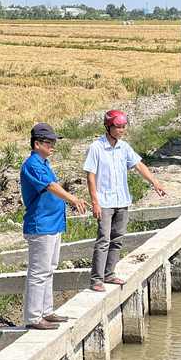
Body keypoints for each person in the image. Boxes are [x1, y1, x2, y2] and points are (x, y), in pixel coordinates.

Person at [84, 110, 167, 292]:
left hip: (122, 201)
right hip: (104, 202)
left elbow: (138, 165)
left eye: (123, 127)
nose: (121, 130)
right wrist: (95, 202)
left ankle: (109, 273)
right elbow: (90, 177)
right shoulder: (96, 148)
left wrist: (155, 183)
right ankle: (96, 279)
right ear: (108, 126)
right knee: (103, 240)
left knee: (118, 239)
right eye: (118, 127)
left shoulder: (124, 147)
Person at [20, 123, 89, 330]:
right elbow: (50, 187)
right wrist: (73, 199)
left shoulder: (44, 163)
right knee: (39, 272)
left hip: (52, 224)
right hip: (40, 225)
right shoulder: (32, 165)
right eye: (49, 142)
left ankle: (46, 311)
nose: (53, 145)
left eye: (54, 142)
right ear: (37, 143)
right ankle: (33, 317)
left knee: (49, 269)